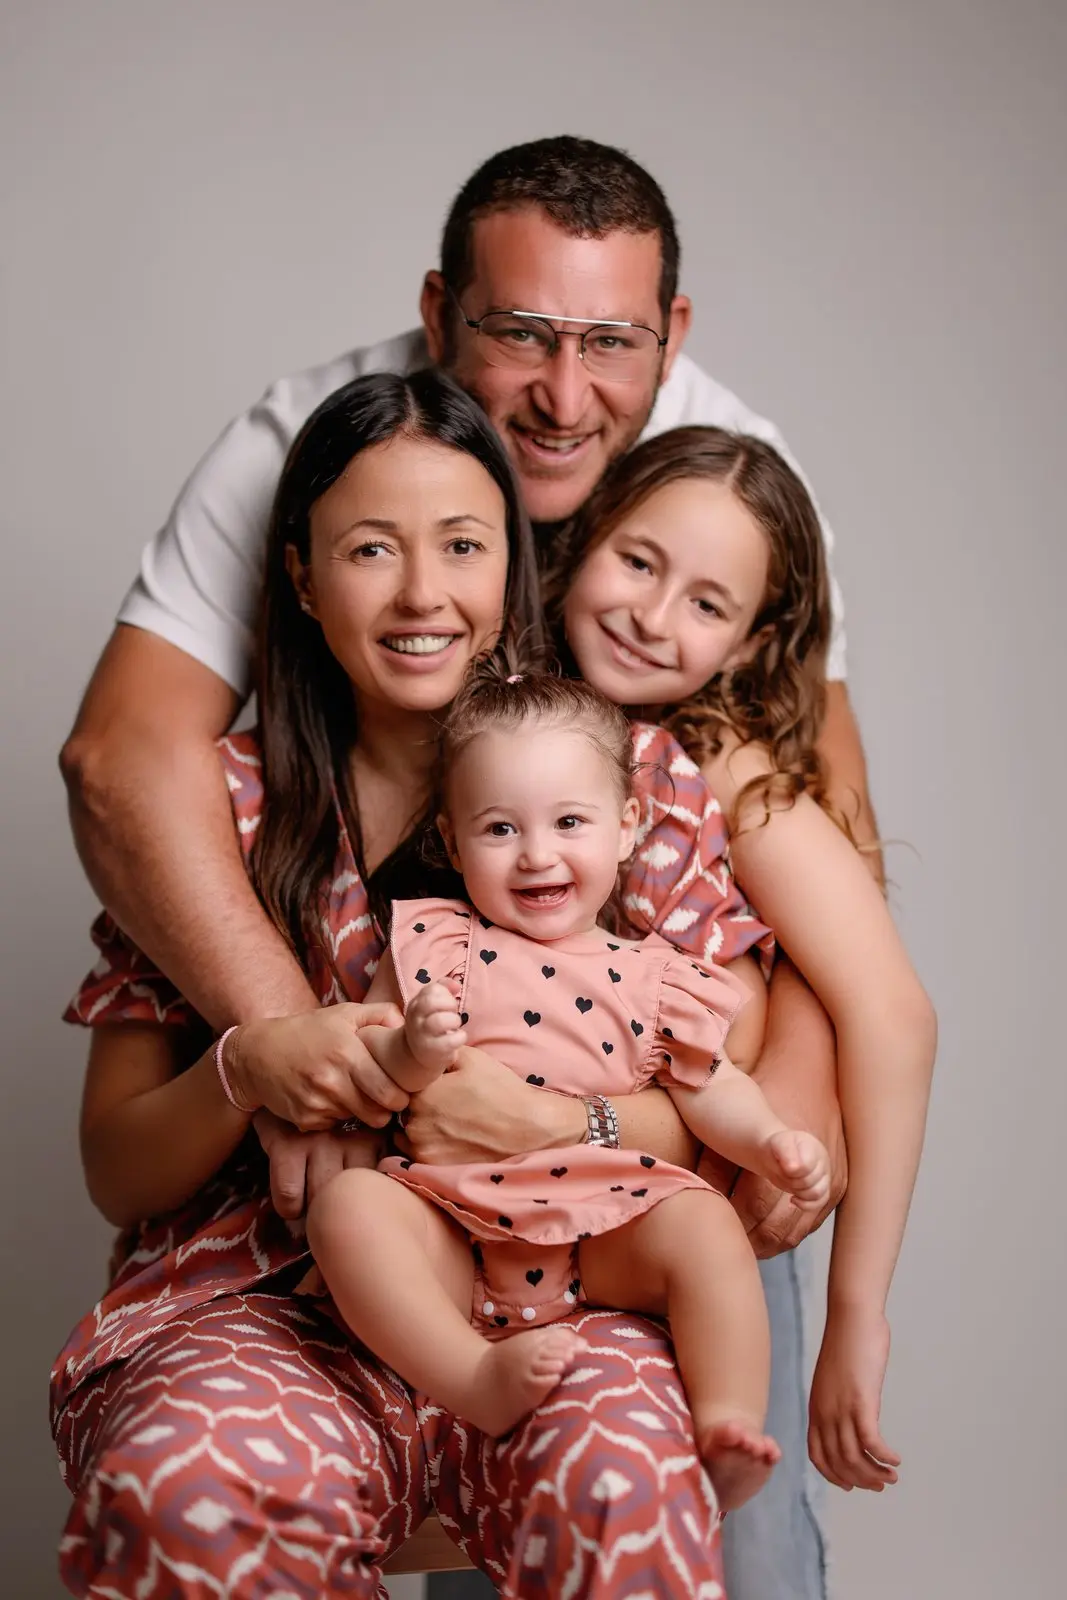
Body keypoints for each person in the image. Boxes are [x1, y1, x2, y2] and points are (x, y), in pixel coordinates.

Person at [59, 135, 857, 1596]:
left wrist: (574, 1125)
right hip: (275, 1305)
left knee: (671, 1487)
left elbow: (744, 1044)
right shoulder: (226, 812)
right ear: (297, 577)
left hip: (577, 1267)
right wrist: (253, 1058)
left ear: (519, 569)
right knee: (184, 1481)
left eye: (464, 548)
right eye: (370, 551)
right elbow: (117, 1153)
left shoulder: (636, 792)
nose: (425, 593)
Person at [306, 665, 832, 1514]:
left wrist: (770, 1139)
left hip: (602, 1232)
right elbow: (363, 1081)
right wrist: (410, 1049)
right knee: (348, 1209)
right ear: (450, 838)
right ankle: (471, 1374)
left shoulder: (658, 979)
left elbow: (711, 1089)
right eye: (500, 828)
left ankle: (727, 1424)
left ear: (627, 828)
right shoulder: (433, 946)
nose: (537, 853)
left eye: (570, 822)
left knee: (701, 1220)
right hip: (454, 1226)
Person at [550, 424, 938, 1493]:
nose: (649, 616)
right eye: (635, 562)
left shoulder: (718, 765)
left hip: (690, 1216)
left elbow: (893, 1013)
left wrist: (856, 1313)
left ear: (753, 641)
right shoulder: (498, 712)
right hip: (511, 1215)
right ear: (583, 535)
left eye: (705, 603)